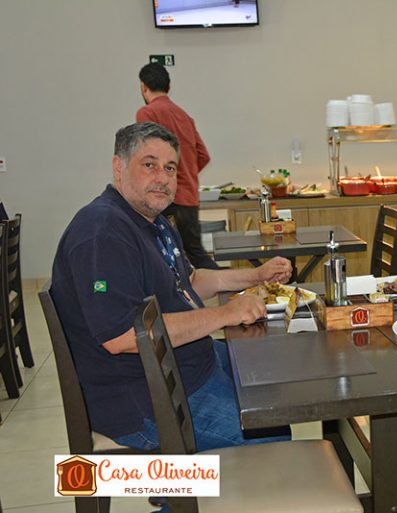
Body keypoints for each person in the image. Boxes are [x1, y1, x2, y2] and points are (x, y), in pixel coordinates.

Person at [51, 122, 293, 454]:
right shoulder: (103, 232)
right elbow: (123, 336)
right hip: (145, 400)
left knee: (272, 380)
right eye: (149, 165)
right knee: (270, 431)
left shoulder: (153, 222)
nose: (163, 178)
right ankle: (200, 487)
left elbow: (189, 283)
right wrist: (225, 314)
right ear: (119, 167)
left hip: (186, 367)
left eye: (170, 168)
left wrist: (255, 276)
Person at [137, 62, 217, 269]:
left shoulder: (147, 113)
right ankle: (232, 285)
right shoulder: (184, 116)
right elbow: (203, 155)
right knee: (196, 254)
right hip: (188, 198)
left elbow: (148, 156)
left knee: (161, 258)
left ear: (143, 87)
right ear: (168, 87)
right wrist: (185, 175)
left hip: (163, 198)